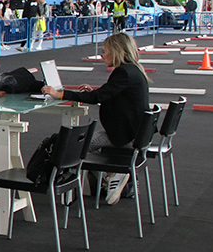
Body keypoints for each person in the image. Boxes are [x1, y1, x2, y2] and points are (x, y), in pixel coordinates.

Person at [42, 32, 149, 206]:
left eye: (105, 52)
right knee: (82, 145)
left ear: (116, 52)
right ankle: (105, 177)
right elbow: (111, 94)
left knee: (76, 146)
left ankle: (111, 175)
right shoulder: (133, 69)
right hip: (134, 132)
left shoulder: (123, 72)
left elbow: (99, 97)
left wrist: (59, 94)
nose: (102, 55)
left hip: (123, 136)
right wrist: (94, 93)